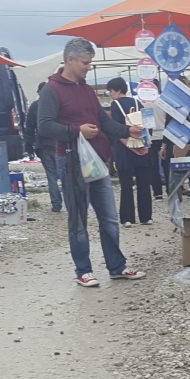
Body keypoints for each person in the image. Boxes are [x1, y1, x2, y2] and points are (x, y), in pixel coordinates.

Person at [36, 38, 145, 288]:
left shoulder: (86, 90)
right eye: (85, 63)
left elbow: (102, 122)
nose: (88, 67)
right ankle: (83, 270)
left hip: (97, 159)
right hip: (71, 160)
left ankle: (116, 266)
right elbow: (45, 126)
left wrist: (127, 131)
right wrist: (77, 131)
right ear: (70, 60)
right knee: (78, 219)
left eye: (90, 62)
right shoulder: (52, 90)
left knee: (109, 217)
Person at [103, 78, 157, 227]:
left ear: (118, 90)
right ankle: (146, 216)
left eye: (111, 91)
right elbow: (149, 124)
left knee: (126, 185)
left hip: (124, 150)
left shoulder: (115, 105)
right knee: (144, 184)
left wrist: (128, 144)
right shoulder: (138, 102)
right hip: (142, 147)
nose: (110, 94)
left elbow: (117, 129)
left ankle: (127, 218)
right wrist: (144, 144)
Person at [26, 81, 63, 212]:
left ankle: (56, 204)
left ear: (39, 92)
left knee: (51, 175)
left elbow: (29, 128)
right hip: (59, 143)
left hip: (43, 144)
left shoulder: (35, 106)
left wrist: (29, 147)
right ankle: (71, 203)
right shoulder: (58, 104)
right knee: (64, 173)